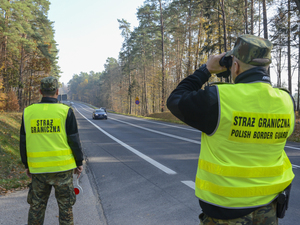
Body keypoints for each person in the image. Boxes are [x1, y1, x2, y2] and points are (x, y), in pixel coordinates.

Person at [167, 34, 295, 224]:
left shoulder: (218, 99)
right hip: (269, 208)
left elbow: (175, 100)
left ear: (235, 66)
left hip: (225, 213)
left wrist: (206, 70)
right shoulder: (286, 101)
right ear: (266, 66)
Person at [20, 77, 84, 225]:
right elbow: (74, 140)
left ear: (41, 91)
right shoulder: (65, 111)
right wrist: (79, 162)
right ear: (57, 91)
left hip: (39, 170)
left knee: (36, 208)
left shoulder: (28, 112)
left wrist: (26, 164)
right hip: (63, 169)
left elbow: (23, 141)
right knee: (65, 208)